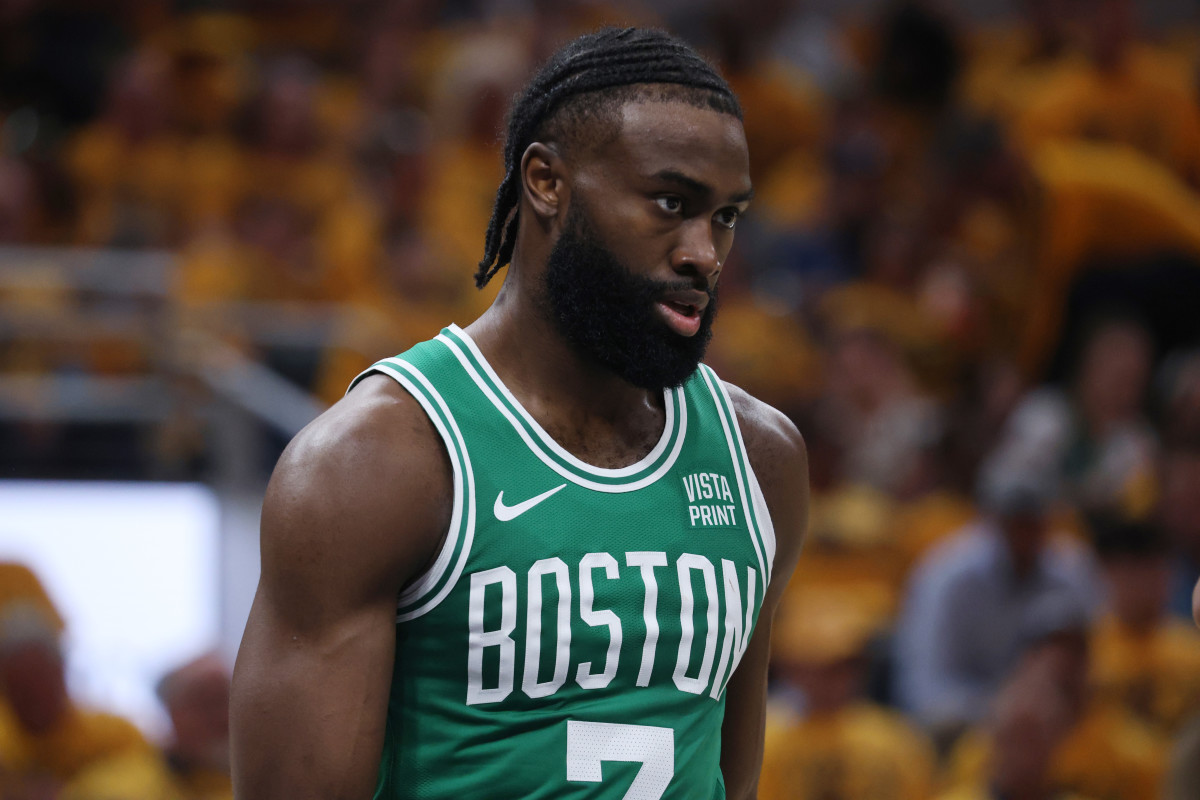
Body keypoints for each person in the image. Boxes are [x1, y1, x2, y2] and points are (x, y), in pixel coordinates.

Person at [230, 27, 809, 800]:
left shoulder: (760, 460)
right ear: (546, 182)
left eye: (727, 217)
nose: (703, 252)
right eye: (671, 204)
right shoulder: (375, 462)